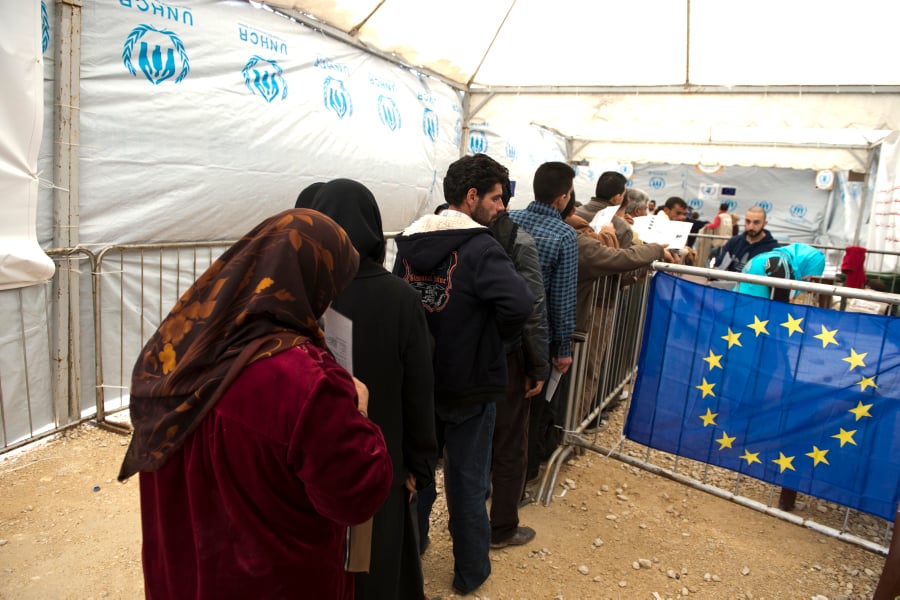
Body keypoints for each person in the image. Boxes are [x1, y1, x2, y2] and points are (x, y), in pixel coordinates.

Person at [118, 209, 393, 600]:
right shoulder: (311, 382)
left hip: (184, 576)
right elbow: (356, 495)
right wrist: (359, 412)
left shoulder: (177, 350)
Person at [393, 153, 533, 595]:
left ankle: (409, 557)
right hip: (471, 385)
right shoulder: (481, 246)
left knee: (417, 475)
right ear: (471, 197)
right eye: (495, 197)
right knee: (468, 486)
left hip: (421, 383)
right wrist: (496, 340)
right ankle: (470, 574)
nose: (502, 207)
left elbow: (400, 303)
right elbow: (521, 305)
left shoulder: (411, 241)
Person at [306, 179, 437, 600]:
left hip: (312, 454)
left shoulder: (305, 291)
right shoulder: (399, 297)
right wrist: (419, 463)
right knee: (372, 561)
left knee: (322, 557)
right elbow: (418, 389)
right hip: (382, 458)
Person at [561, 196, 671, 429]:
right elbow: (618, 261)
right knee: (586, 371)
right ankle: (569, 431)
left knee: (574, 373)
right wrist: (652, 249)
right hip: (590, 309)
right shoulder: (582, 235)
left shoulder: (543, 226)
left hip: (573, 311)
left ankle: (564, 430)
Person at [487, 178, 549, 550]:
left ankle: (467, 522)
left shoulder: (440, 233)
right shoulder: (519, 242)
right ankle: (502, 528)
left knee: (469, 443)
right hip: (507, 357)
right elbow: (533, 310)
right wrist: (538, 365)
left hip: (462, 355)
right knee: (510, 442)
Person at [509, 162, 579, 483]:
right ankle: (525, 474)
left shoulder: (508, 220)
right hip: (542, 334)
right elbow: (562, 298)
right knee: (535, 409)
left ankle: (500, 473)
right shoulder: (565, 235)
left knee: (506, 407)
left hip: (506, 328)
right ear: (563, 197)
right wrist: (563, 348)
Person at [735, 242, 825, 300]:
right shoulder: (780, 264)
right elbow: (780, 305)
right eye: (809, 275)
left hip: (741, 306)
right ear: (805, 265)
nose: (807, 280)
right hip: (751, 315)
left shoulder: (773, 256)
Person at [575, 171, 632, 248]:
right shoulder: (622, 227)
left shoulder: (572, 215)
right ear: (616, 198)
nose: (623, 198)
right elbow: (623, 258)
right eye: (623, 195)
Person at [714, 206, 779, 272]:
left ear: (764, 224)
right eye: (748, 221)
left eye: (756, 222)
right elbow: (719, 266)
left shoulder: (773, 250)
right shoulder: (733, 242)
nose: (751, 226)